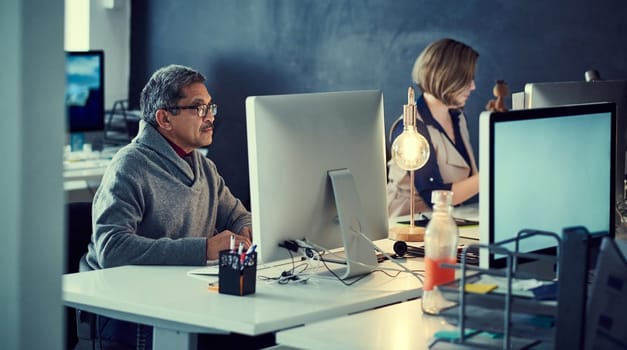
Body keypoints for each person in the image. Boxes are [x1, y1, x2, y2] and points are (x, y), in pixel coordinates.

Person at [81, 64, 254, 349]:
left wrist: (247, 230)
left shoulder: (204, 167)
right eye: (198, 108)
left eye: (211, 107)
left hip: (180, 299)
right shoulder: (130, 166)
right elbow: (112, 249)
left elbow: (237, 216)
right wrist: (205, 249)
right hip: (128, 315)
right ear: (164, 118)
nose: (210, 117)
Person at [387, 38, 480, 218]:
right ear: (447, 78)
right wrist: (492, 175)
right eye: (467, 80)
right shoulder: (411, 128)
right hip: (406, 225)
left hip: (445, 219)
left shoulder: (458, 117)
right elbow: (434, 195)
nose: (473, 86)